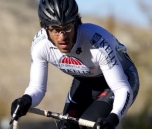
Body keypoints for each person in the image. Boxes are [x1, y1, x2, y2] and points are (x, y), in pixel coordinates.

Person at [10, 0, 139, 129]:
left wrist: (113, 118)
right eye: (55, 30)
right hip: (84, 82)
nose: (62, 37)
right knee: (66, 127)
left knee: (88, 126)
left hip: (119, 81)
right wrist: (26, 100)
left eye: (67, 28)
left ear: (77, 23)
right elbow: (37, 88)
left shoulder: (97, 44)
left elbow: (121, 88)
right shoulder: (40, 45)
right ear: (44, 28)